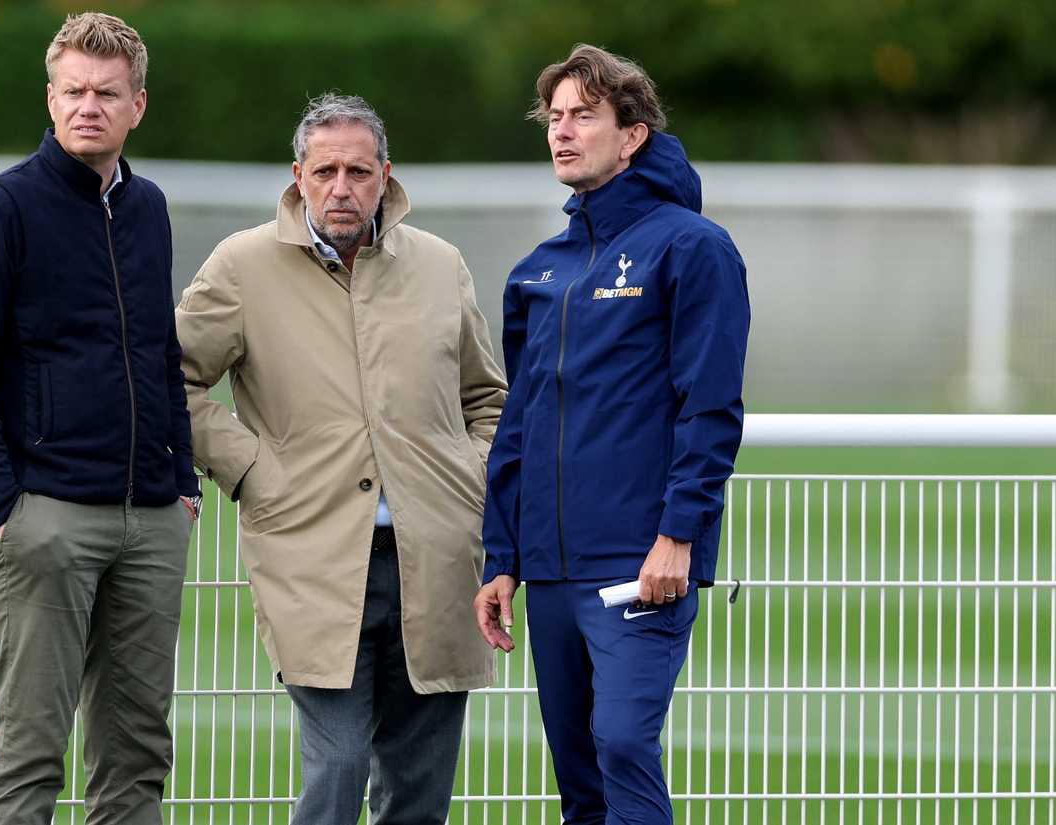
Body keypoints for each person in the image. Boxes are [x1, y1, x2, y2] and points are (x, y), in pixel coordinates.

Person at [175, 93, 507, 824]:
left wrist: (470, 473)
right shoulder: (242, 265)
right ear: (298, 176)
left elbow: (490, 397)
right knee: (340, 763)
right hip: (311, 556)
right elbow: (173, 377)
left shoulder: (441, 265)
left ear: (385, 176)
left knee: (419, 786)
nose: (342, 187)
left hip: (438, 554)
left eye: (359, 171)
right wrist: (252, 468)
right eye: (325, 170)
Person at [0, 13, 199, 825]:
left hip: (151, 519)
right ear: (50, 99)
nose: (90, 106)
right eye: (74, 90)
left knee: (138, 754)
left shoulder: (147, 207)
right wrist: (6, 503)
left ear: (137, 105)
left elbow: (159, 352)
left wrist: (179, 480)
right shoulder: (1, 208)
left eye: (107, 93)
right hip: (46, 518)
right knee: (30, 752)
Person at [473, 45, 750, 824]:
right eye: (555, 117)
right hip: (549, 569)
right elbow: (518, 424)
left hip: (639, 564)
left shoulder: (692, 247)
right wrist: (503, 556)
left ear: (631, 136)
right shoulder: (539, 271)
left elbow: (712, 407)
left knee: (624, 742)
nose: (563, 132)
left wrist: (679, 535)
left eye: (584, 116)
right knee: (581, 781)